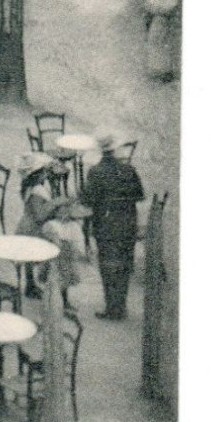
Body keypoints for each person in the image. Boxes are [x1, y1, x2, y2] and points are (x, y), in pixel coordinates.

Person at [80, 135, 146, 320]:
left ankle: (111, 307)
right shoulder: (128, 170)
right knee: (124, 264)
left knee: (108, 266)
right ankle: (121, 306)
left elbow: (87, 201)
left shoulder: (95, 171)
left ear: (101, 151)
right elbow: (139, 196)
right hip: (127, 224)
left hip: (106, 225)